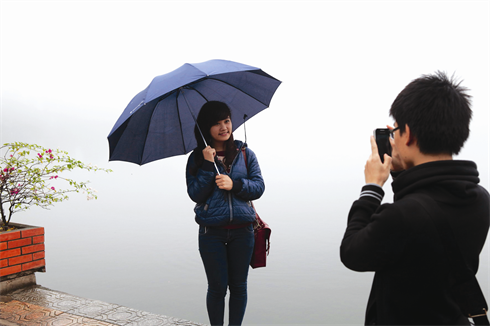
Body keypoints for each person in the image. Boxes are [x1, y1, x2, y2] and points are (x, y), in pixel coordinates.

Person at [340, 71, 490, 326]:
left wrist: (372, 187)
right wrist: (401, 171)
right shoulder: (480, 198)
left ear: (407, 134)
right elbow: (427, 208)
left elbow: (353, 253)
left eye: (396, 129)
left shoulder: (404, 215)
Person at [186, 101, 265, 326]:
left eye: (227, 121)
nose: (224, 127)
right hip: (212, 232)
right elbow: (196, 194)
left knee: (239, 287)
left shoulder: (245, 153)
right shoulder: (197, 158)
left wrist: (235, 184)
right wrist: (208, 166)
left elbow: (259, 187)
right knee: (217, 288)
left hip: (243, 231)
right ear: (205, 127)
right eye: (216, 123)